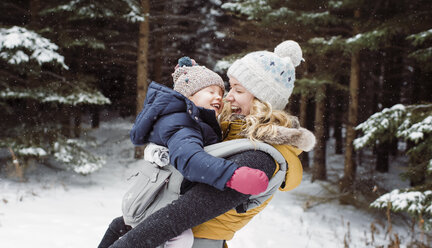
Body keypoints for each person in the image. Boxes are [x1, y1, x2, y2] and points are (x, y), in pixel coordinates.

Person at [106, 40, 316, 248]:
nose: (228, 97)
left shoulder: (259, 158)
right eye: (229, 88)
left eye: (238, 90)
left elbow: (180, 214)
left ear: (262, 100)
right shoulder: (226, 133)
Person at [98, 57, 269, 248]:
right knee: (182, 239)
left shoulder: (190, 121)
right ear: (189, 96)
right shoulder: (184, 125)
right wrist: (231, 175)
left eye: (221, 92)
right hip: (158, 203)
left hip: (151, 198)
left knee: (123, 226)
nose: (220, 97)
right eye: (210, 91)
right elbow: (190, 160)